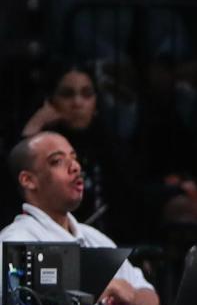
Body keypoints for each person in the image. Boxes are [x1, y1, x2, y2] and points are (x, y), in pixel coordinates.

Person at [0, 132, 159, 305]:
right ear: (28, 180)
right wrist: (93, 291)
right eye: (57, 161)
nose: (75, 167)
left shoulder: (95, 238)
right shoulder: (15, 240)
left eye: (74, 158)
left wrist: (131, 296)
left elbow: (152, 301)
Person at [20, 62, 140, 245]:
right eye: (67, 94)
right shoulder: (18, 234)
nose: (77, 103)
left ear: (96, 102)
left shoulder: (112, 146)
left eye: (86, 94)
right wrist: (34, 128)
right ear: (51, 100)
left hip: (103, 246)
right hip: (49, 246)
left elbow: (128, 204)